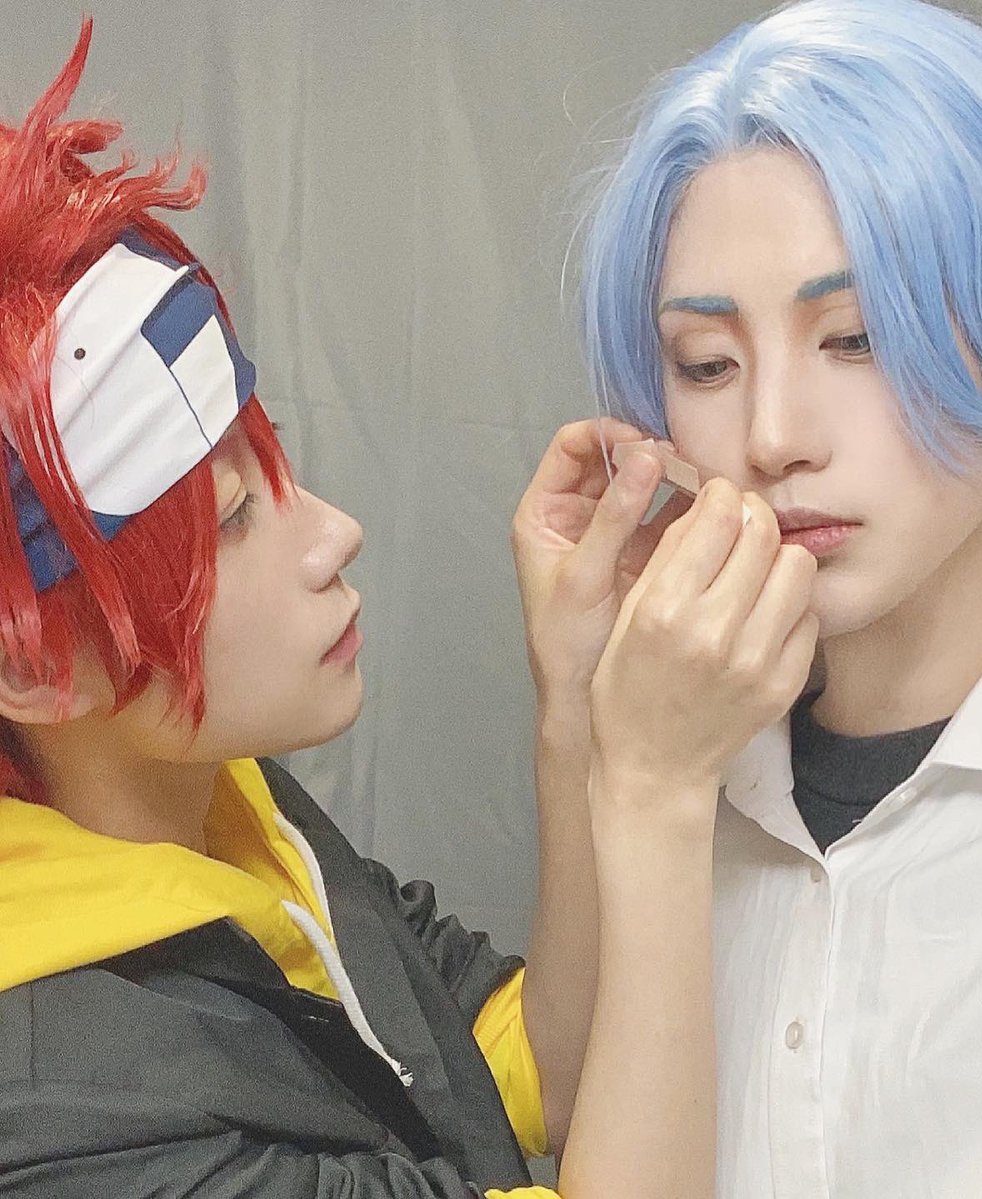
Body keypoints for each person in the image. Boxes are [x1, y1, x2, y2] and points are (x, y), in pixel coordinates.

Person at [0, 21, 815, 1199]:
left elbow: (532, 1065)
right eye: (235, 516)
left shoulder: (222, 807)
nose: (333, 532)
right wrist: (657, 790)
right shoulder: (58, 1120)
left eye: (272, 464)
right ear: (34, 666)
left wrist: (575, 704)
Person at [542, 0, 982, 1195]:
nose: (773, 435)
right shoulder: (670, 797)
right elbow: (546, 1120)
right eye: (707, 364)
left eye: (854, 337)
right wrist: (584, 727)